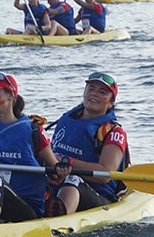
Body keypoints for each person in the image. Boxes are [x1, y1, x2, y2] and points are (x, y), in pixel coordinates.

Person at [0, 72, 71, 223]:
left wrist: (62, 169)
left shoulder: (33, 130)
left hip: (27, 209)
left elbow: (56, 173)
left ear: (11, 95)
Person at [49, 72, 131, 214]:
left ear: (111, 102)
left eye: (102, 92)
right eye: (91, 89)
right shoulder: (66, 119)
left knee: (73, 179)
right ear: (84, 93)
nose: (94, 94)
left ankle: (58, 218)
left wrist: (67, 162)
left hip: (99, 197)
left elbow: (105, 174)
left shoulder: (113, 132)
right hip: (59, 185)